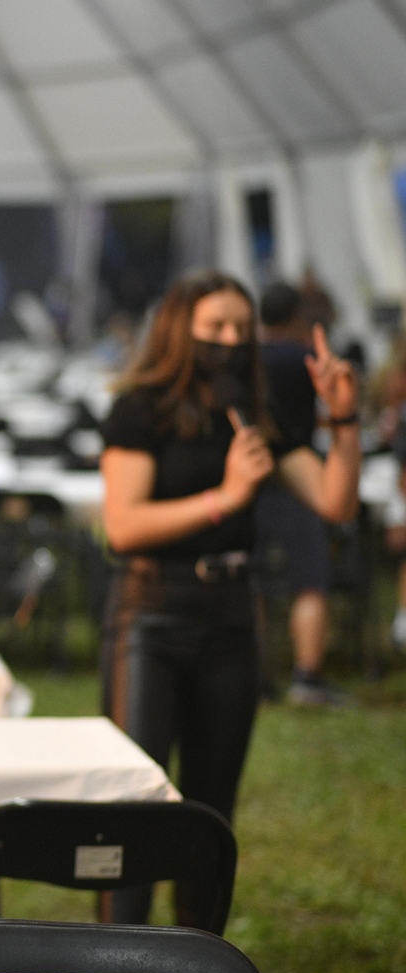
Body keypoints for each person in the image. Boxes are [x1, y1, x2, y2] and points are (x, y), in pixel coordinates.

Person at [99, 269, 358, 925]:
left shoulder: (252, 414)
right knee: (135, 796)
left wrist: (343, 415)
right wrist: (226, 499)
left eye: (241, 329)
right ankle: (108, 964)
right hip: (150, 612)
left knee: (212, 807)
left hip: (231, 616)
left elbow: (335, 500)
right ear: (180, 331)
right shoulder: (141, 407)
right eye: (215, 328)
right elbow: (123, 526)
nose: (231, 340)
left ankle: (198, 963)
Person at [253, 282, 347, 705]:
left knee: (250, 578)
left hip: (252, 477)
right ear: (296, 317)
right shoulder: (305, 359)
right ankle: (307, 675)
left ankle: (255, 676)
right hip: (299, 476)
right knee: (310, 578)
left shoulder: (247, 358)